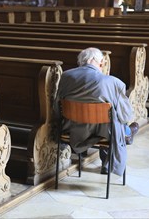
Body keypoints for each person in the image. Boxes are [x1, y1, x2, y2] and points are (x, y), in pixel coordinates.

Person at [54, 47, 139, 176]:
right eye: (102, 63)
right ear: (95, 61)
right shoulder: (113, 82)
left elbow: (56, 107)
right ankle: (126, 137)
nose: (102, 66)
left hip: (72, 130)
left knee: (108, 120)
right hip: (104, 133)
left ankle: (126, 134)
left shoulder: (66, 76)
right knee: (115, 122)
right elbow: (126, 115)